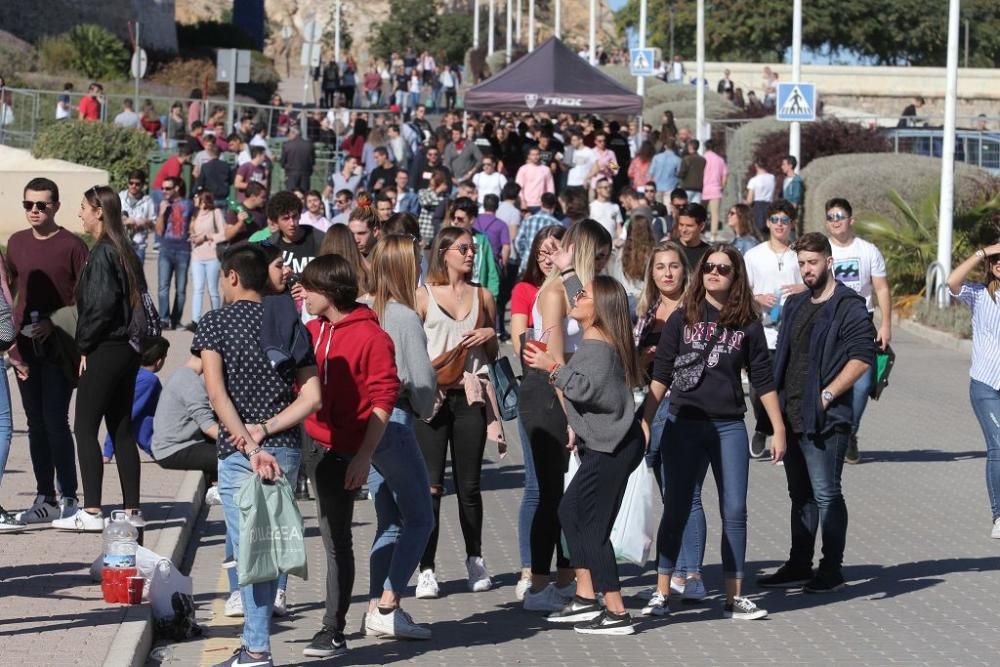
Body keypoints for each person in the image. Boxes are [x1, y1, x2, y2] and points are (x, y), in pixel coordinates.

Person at [639, 245, 787, 620]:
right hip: (683, 423)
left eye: (724, 268)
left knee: (735, 510)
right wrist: (643, 421)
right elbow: (661, 375)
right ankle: (661, 592)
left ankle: (734, 596)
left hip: (728, 426)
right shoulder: (681, 317)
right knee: (675, 508)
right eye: (709, 266)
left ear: (736, 275)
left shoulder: (748, 322)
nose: (715, 272)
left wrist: (778, 428)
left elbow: (763, 380)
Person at [194, 244, 321, 667]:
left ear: (231, 276)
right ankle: (255, 645)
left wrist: (248, 445)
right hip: (284, 446)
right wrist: (268, 431)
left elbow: (216, 394)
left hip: (237, 452)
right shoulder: (288, 321)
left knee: (250, 550)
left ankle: (256, 649)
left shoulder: (214, 324)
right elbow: (313, 397)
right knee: (268, 546)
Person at [522, 272, 644, 635]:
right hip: (609, 443)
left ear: (599, 308)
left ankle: (617, 612)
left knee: (591, 525)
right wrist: (568, 271)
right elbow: (588, 297)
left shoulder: (597, 347)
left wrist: (552, 368)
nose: (575, 298)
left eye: (582, 296)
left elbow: (594, 393)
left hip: (614, 447)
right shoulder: (599, 332)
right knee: (570, 511)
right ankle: (588, 597)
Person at [757, 232, 876, 594]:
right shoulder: (796, 304)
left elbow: (862, 357)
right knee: (800, 495)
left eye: (813, 262)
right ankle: (798, 563)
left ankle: (832, 569)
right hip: (792, 412)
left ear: (829, 262)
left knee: (827, 494)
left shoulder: (848, 305)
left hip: (826, 417)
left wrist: (827, 394)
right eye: (802, 263)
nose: (807, 270)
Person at [296, 254, 402, 657]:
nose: (301, 292)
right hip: (312, 444)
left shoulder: (372, 337)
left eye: (309, 287)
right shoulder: (311, 329)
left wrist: (363, 456)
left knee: (337, 540)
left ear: (330, 292)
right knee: (325, 534)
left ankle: (333, 630)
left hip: (347, 450)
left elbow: (383, 398)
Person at [520, 220, 612, 613]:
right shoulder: (555, 292)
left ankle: (566, 578)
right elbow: (553, 357)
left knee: (572, 494)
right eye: (601, 256)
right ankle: (539, 585)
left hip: (575, 389)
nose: (605, 263)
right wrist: (570, 414)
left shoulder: (581, 290)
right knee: (549, 492)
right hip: (550, 393)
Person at [52, 186, 146, 531]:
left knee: (85, 427)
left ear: (99, 212)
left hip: (105, 346)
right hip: (127, 349)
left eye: (83, 208)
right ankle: (132, 511)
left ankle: (91, 510)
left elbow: (101, 306)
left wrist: (84, 346)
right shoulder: (125, 249)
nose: (80, 215)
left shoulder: (104, 252)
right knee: (121, 428)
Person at [413, 226, 500, 599]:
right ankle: (426, 569)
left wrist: (490, 337)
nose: (471, 254)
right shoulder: (423, 295)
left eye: (474, 248)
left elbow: (493, 358)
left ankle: (475, 559)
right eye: (464, 248)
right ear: (444, 252)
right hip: (432, 399)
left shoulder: (485, 295)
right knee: (430, 488)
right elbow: (412, 349)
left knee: (469, 486)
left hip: (470, 395)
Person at [358, 236, 437, 638]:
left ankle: (375, 607)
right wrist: (428, 405)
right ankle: (389, 603)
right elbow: (421, 381)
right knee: (421, 517)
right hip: (397, 418)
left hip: (363, 423)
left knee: (388, 520)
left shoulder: (361, 309)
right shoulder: (403, 316)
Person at [9, 178, 89, 525]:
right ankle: (45, 497)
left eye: (42, 205)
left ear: (56, 206)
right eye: (28, 205)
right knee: (35, 421)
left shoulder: (72, 245)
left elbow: (88, 299)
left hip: (60, 348)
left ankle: (69, 496)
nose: (35, 211)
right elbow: (10, 290)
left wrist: (56, 325)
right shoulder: (15, 243)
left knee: (56, 419)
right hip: (24, 346)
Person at [631, 241, 707, 601]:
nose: (667, 273)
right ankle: (672, 571)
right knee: (664, 492)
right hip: (652, 406)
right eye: (659, 267)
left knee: (688, 494)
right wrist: (644, 359)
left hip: (689, 407)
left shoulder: (699, 310)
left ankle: (692, 575)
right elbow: (634, 367)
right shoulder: (645, 311)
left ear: (684, 270)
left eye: (673, 266)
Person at [509, 225, 566, 597]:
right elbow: (521, 344)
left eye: (555, 250)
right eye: (543, 251)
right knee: (538, 487)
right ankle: (531, 567)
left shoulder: (573, 289)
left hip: (568, 386)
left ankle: (568, 569)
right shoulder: (529, 290)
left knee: (565, 488)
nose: (548, 257)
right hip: (540, 387)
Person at [824, 198, 891, 464]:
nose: (836, 220)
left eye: (840, 215)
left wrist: (885, 325)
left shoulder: (868, 250)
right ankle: (831, 434)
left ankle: (850, 432)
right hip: (828, 322)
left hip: (861, 322)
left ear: (851, 219)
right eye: (830, 216)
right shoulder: (822, 249)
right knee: (830, 381)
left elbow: (881, 288)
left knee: (862, 385)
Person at [948, 236, 1000, 538]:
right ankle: (998, 516)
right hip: (985, 385)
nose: (999, 264)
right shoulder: (979, 294)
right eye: (995, 261)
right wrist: (982, 252)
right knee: (998, 446)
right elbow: (952, 282)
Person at [744, 201, 804, 458]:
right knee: (759, 390)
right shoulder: (754, 255)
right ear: (767, 223)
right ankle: (762, 423)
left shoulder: (799, 255)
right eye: (775, 220)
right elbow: (742, 291)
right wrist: (758, 297)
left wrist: (802, 289)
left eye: (785, 220)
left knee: (784, 390)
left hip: (793, 333)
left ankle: (766, 431)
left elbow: (818, 283)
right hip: (762, 331)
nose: (780, 225)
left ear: (792, 224)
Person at [151, 354, 220, 488]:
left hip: (170, 446)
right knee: (234, 456)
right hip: (173, 450)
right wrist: (245, 442)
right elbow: (208, 426)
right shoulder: (191, 382)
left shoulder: (181, 373)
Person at [102, 336, 168, 461]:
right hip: (158, 441)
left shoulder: (134, 372)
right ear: (159, 361)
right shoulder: (149, 380)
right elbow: (128, 413)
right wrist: (108, 452)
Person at [155, 177, 194, 330]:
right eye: (163, 188)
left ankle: (176, 320)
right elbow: (158, 231)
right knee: (163, 287)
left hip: (184, 250)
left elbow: (194, 221)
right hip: (166, 249)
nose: (164, 191)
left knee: (181, 289)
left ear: (177, 188)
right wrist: (161, 212)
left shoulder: (189, 204)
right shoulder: (163, 205)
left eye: (168, 188)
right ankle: (164, 319)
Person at [448, 198, 501, 300]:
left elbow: (491, 272)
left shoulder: (482, 240)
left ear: (472, 220)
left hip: (477, 296)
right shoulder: (447, 239)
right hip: (453, 297)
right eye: (453, 218)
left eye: (460, 219)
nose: (455, 222)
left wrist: (492, 298)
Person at [189, 191, 227, 329]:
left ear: (204, 200)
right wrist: (193, 238)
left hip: (212, 256)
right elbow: (192, 231)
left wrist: (206, 237)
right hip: (197, 255)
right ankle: (195, 320)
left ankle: (217, 318)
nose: (194, 199)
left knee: (213, 290)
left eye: (196, 197)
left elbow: (224, 233)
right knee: (198, 289)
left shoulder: (215, 212)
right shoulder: (195, 213)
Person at [120, 170, 156, 264]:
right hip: (121, 246)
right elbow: (110, 219)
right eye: (131, 183)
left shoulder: (148, 201)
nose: (133, 186)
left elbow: (154, 226)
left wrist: (146, 222)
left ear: (143, 185)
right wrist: (124, 221)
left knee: (136, 278)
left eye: (137, 184)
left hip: (139, 247)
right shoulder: (120, 198)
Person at [701, 140, 728, 241]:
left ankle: (700, 233)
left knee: (700, 213)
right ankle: (713, 236)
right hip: (716, 189)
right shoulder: (720, 160)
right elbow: (725, 176)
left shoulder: (703, 158)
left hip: (703, 189)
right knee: (715, 214)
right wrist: (722, 186)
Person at [516, 147, 555, 212]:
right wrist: (522, 201)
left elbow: (550, 188)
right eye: (533, 155)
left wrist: (549, 203)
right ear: (529, 156)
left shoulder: (546, 169)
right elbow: (519, 187)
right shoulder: (523, 169)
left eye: (537, 154)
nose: (535, 157)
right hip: (527, 204)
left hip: (542, 205)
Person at [674, 202, 711, 270]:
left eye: (689, 226)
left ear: (702, 226)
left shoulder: (709, 254)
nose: (684, 230)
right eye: (681, 225)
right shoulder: (668, 249)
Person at [194, 142, 233, 206]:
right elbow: (231, 181)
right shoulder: (226, 166)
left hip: (210, 199)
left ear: (209, 153)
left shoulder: (205, 166)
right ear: (219, 154)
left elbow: (200, 182)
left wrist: (195, 192)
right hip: (223, 197)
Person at [280, 125, 315, 193]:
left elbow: (282, 162)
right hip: (305, 175)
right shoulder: (309, 145)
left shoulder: (287, 145)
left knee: (290, 196)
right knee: (304, 195)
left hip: (291, 175)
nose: (288, 135)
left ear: (293, 133)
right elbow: (312, 161)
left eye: (289, 133)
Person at [745, 159, 776, 235]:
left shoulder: (754, 180)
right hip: (770, 205)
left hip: (758, 207)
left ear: (756, 165)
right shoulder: (772, 177)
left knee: (758, 232)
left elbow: (749, 200)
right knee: (769, 232)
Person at [678, 140, 705, 204]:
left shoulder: (687, 159)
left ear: (690, 146)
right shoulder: (703, 160)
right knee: (695, 209)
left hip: (687, 187)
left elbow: (682, 173)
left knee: (685, 207)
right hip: (699, 188)